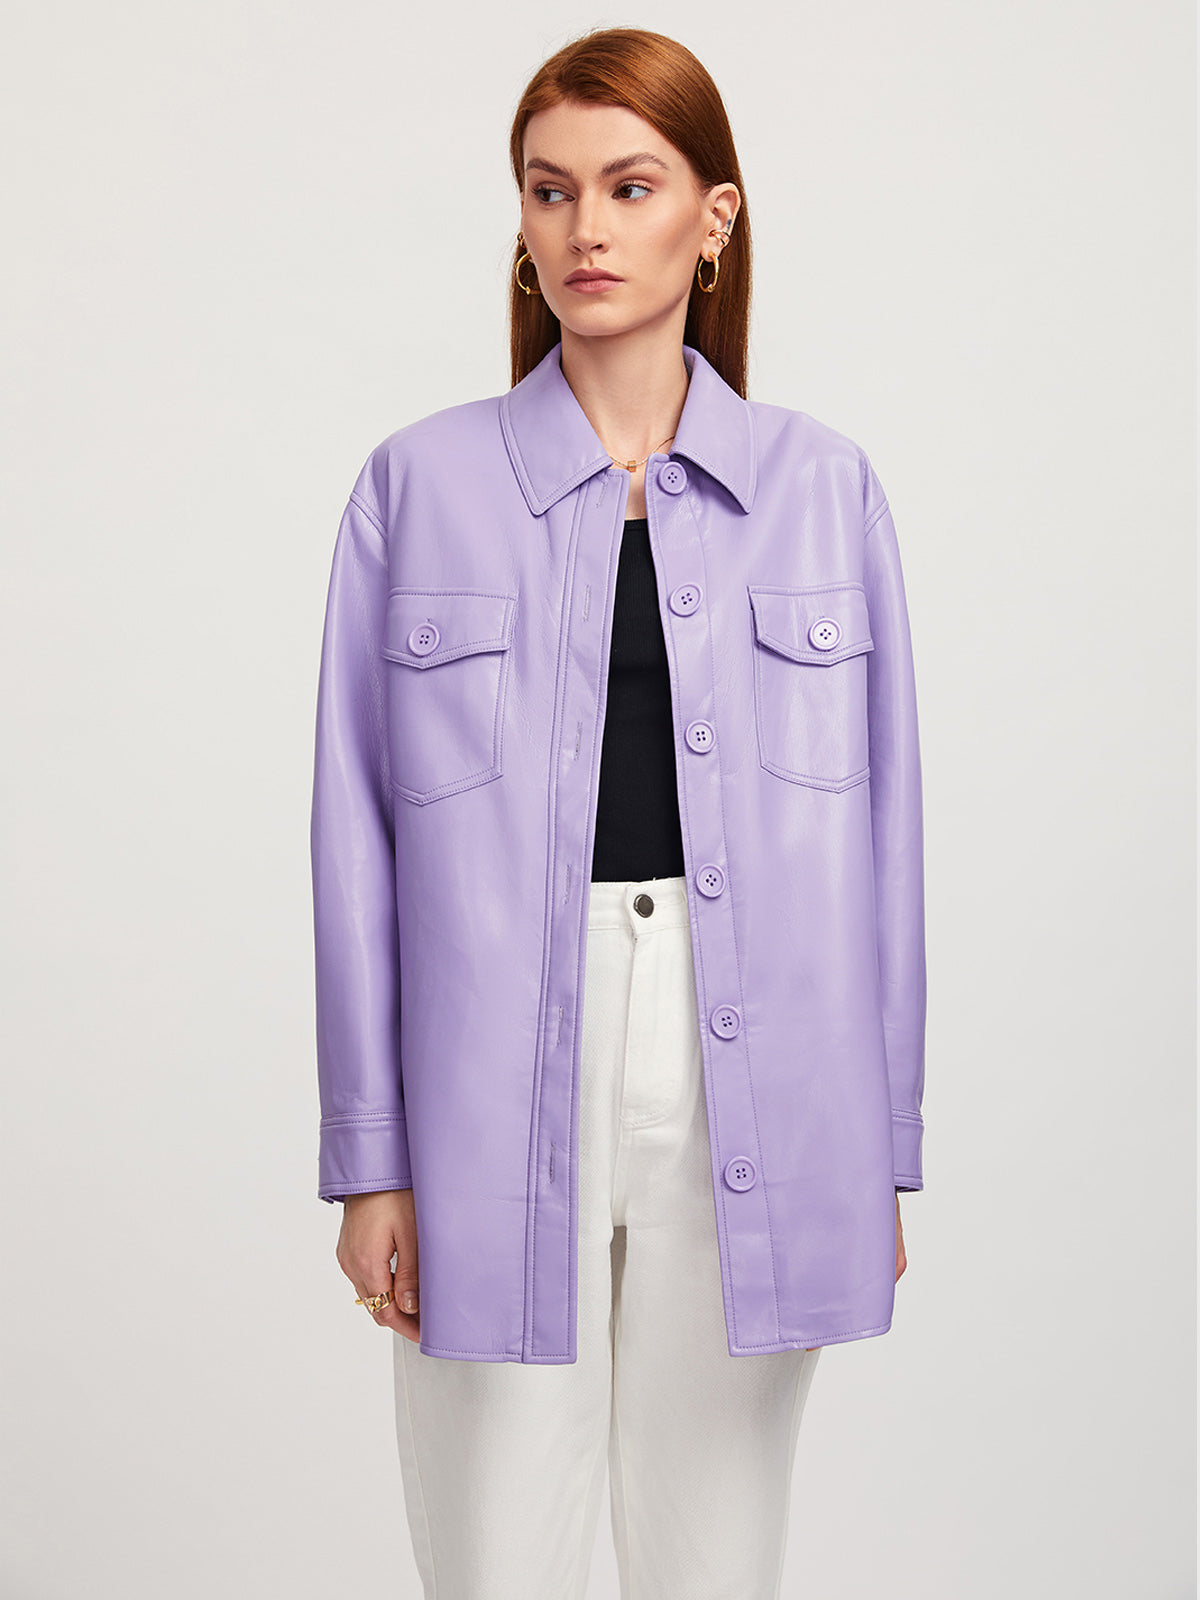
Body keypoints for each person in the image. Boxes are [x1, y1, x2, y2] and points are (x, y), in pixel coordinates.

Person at [310, 25, 926, 1600]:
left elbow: (884, 850)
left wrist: (877, 1145)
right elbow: (356, 843)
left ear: (713, 218)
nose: (585, 227)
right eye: (550, 189)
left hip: (762, 1072)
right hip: (491, 1072)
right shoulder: (416, 490)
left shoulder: (825, 491)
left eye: (630, 187)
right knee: (496, 1561)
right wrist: (374, 1160)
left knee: (718, 1561)